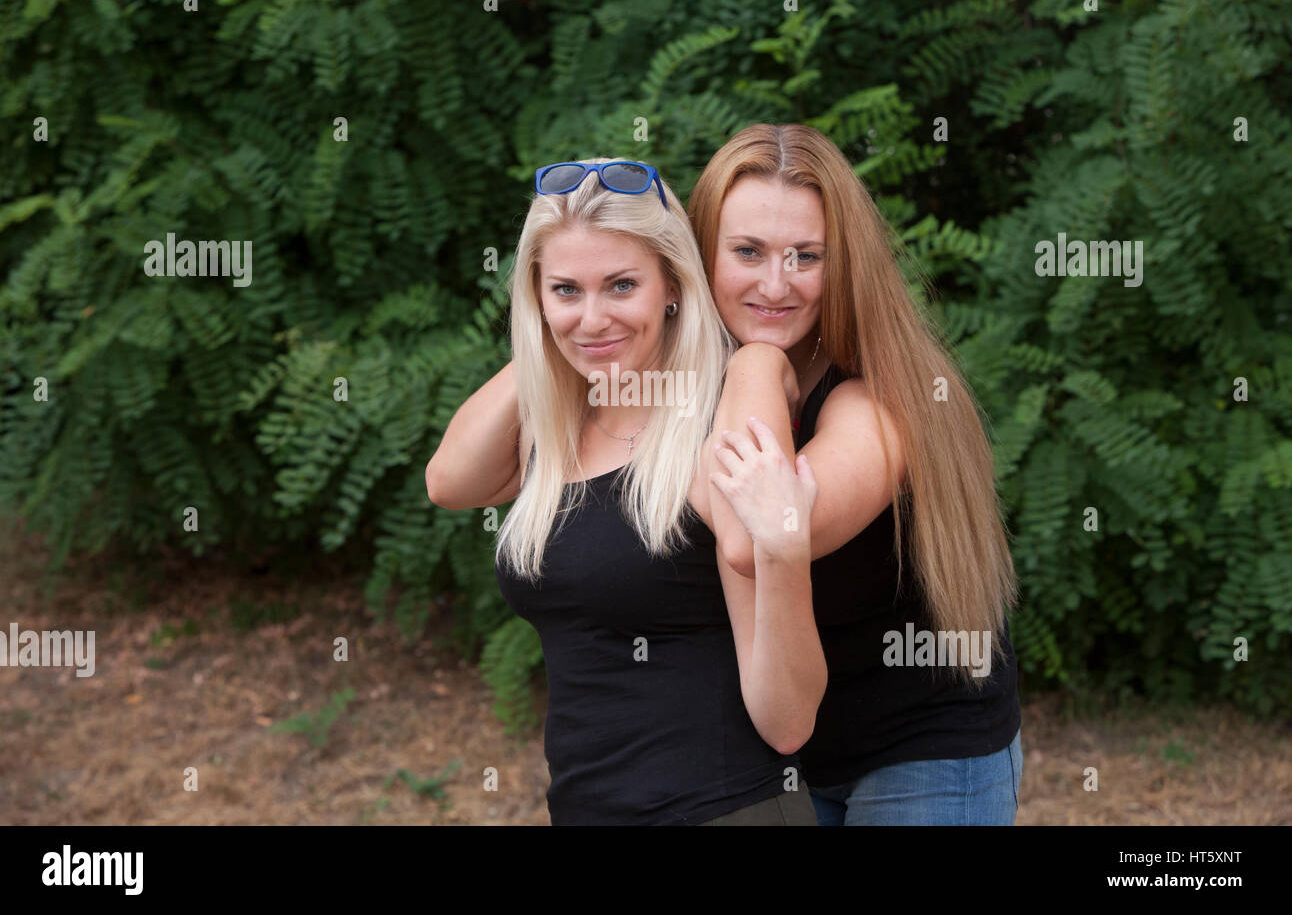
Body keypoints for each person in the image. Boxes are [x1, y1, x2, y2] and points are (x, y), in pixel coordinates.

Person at [426, 159, 824, 824]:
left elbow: (788, 722)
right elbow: (448, 481)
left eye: (620, 286)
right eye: (565, 289)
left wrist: (782, 549)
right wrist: (548, 337)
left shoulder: (717, 418)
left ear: (672, 285)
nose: (592, 318)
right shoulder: (557, 434)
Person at [686, 124, 1023, 825]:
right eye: (747, 251)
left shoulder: (880, 396)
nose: (774, 284)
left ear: (844, 266)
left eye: (805, 256)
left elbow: (757, 539)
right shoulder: (686, 379)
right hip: (794, 757)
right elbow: (451, 480)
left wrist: (755, 364)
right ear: (698, 257)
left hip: (924, 754)